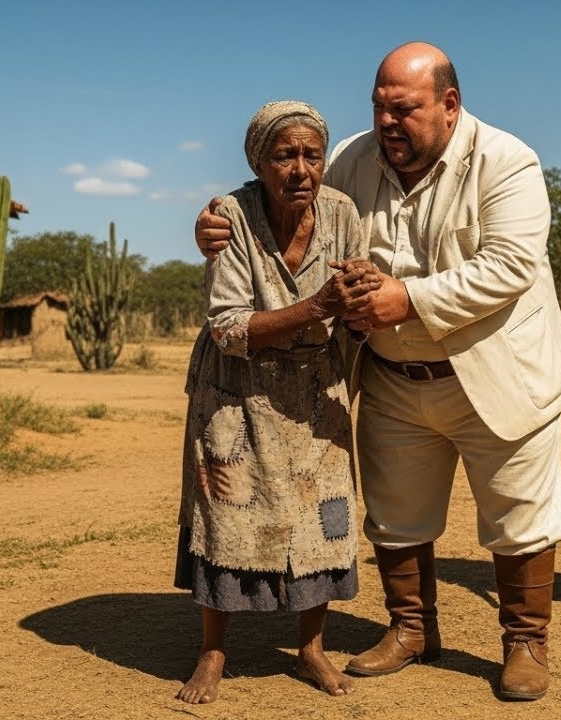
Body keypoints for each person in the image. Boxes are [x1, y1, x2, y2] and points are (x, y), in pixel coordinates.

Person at [194, 42, 561, 701]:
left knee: (520, 515)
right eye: (378, 108)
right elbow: (288, 202)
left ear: (450, 104)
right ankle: (411, 628)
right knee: (397, 515)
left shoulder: (506, 161)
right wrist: (216, 224)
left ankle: (524, 642)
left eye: (404, 109)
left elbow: (510, 266)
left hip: (496, 372)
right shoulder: (354, 158)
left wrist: (408, 299)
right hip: (395, 375)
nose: (387, 123)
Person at [175, 100, 380, 704]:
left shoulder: (341, 212)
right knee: (226, 513)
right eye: (284, 156)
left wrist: (360, 299)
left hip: (316, 391)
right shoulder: (230, 217)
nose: (300, 170)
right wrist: (318, 305)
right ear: (258, 164)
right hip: (235, 391)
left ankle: (311, 650)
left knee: (324, 517)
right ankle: (212, 653)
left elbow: (356, 317)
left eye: (312, 155)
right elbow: (227, 327)